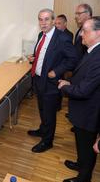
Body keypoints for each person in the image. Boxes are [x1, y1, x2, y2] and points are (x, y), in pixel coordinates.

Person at [27, 8, 78, 153]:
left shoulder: (62, 38)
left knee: (49, 113)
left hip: (51, 83)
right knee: (42, 109)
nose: (43, 23)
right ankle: (43, 130)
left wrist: (56, 71)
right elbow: (43, 55)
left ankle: (47, 141)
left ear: (53, 20)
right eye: (40, 19)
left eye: (47, 19)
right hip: (38, 79)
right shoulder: (40, 35)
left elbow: (73, 60)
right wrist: (33, 58)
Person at [58, 16, 100, 182]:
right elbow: (83, 78)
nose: (81, 34)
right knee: (81, 145)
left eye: (85, 31)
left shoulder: (98, 57)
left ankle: (83, 178)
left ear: (98, 33)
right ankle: (80, 164)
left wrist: (64, 87)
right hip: (83, 110)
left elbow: (84, 90)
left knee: (87, 147)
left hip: (89, 112)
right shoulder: (91, 50)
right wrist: (71, 82)